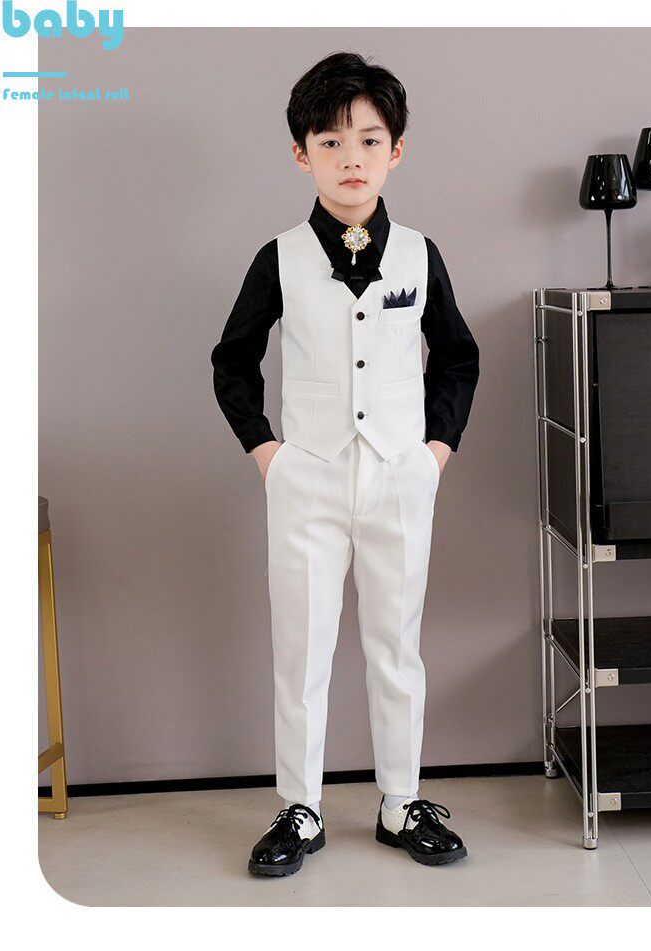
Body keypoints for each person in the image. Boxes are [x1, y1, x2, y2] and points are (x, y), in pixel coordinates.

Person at [211, 52, 480, 877]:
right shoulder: (281, 256)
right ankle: (301, 805)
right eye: (330, 142)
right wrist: (269, 454)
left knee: (397, 645)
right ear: (302, 155)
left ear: (396, 149)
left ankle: (401, 802)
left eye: (368, 139)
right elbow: (232, 361)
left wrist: (434, 454)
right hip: (307, 480)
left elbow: (458, 357)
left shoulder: (420, 254)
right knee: (302, 650)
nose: (351, 157)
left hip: (400, 476)